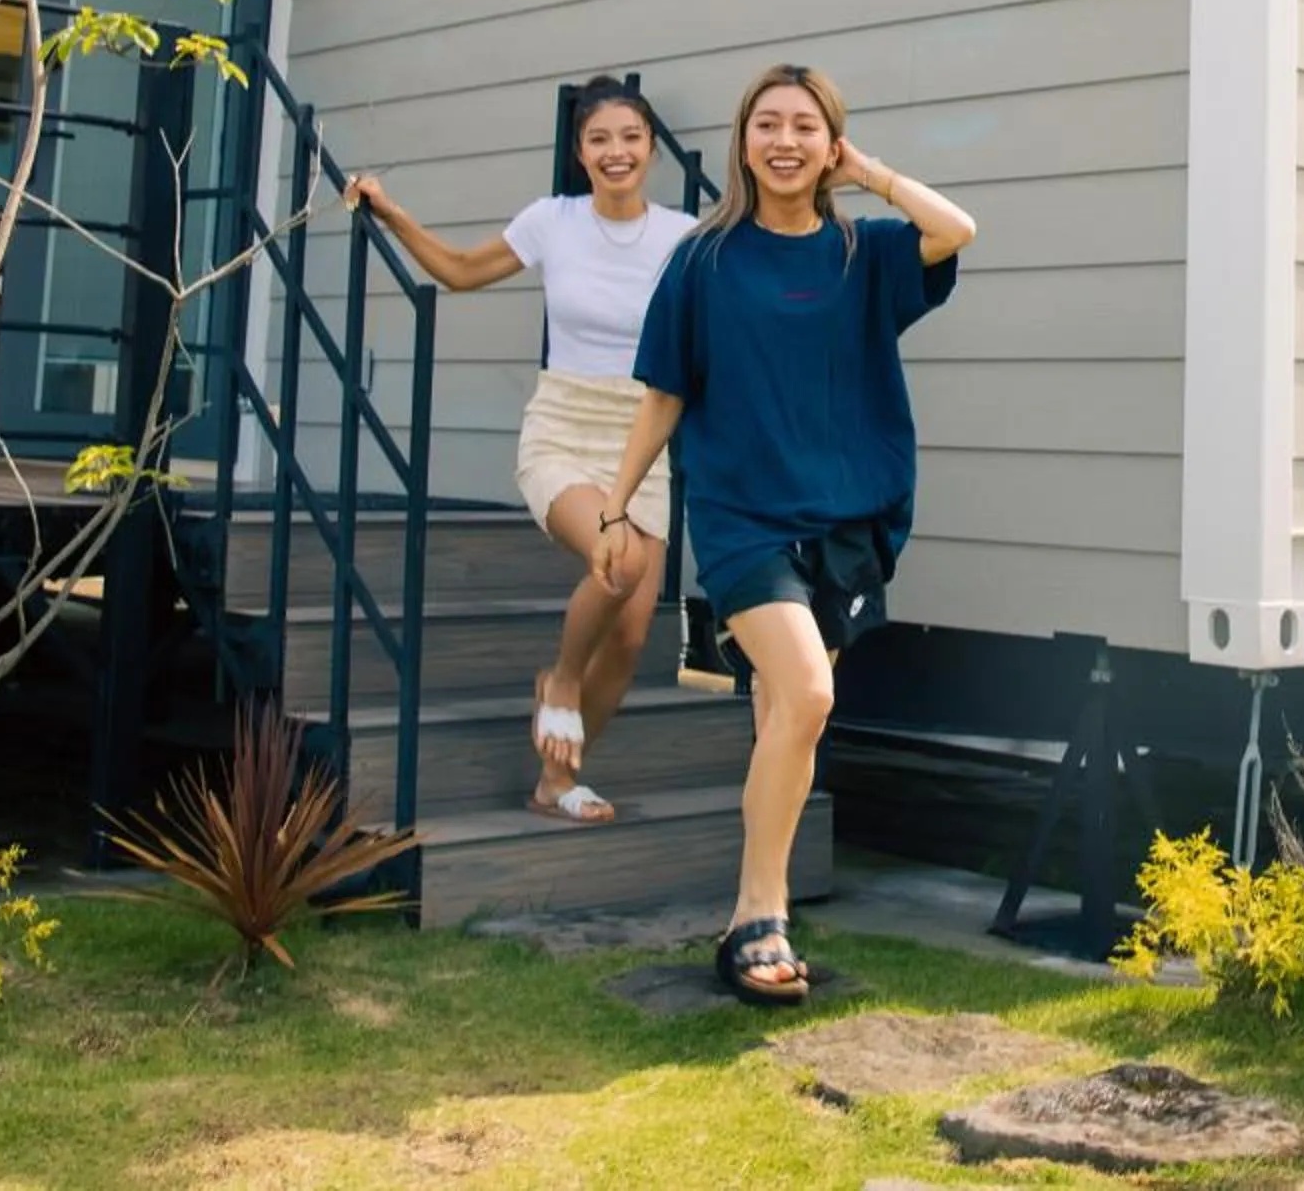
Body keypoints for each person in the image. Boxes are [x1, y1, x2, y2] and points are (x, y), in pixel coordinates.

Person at [597, 62, 974, 1005]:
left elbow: (956, 230)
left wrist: (873, 174)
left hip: (848, 520)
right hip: (743, 517)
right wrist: (616, 505)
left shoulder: (866, 254)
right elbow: (664, 396)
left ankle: (754, 913)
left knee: (783, 718)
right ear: (743, 142)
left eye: (807, 126)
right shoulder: (703, 259)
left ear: (831, 142)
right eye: (767, 124)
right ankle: (757, 913)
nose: (786, 141)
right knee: (807, 694)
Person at [346, 77, 698, 824]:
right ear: (580, 152)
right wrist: (394, 213)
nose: (616, 152)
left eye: (630, 138)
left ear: (650, 150)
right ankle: (562, 679)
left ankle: (556, 781)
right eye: (599, 139)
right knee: (617, 560)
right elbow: (464, 272)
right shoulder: (553, 221)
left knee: (634, 636)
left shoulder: (682, 236)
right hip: (564, 427)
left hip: (644, 433)